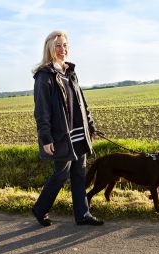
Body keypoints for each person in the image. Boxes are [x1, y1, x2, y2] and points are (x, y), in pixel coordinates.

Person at [31, 30, 104, 227]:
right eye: (58, 46)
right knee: (62, 173)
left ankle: (83, 215)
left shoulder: (70, 72)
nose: (63, 49)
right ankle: (40, 208)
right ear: (49, 48)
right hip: (62, 135)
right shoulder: (44, 76)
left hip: (79, 133)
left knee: (80, 173)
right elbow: (42, 111)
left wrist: (91, 125)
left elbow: (81, 101)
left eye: (65, 45)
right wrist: (46, 138)